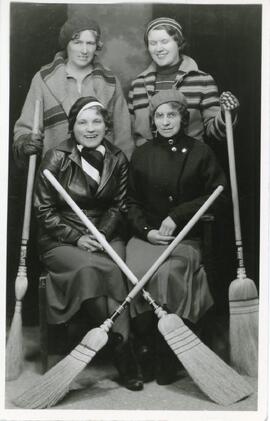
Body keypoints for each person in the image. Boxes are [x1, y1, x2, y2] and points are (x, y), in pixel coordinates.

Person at [33, 96, 142, 391]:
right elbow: (43, 211)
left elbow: (119, 206)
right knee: (91, 269)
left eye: (96, 121)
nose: (90, 128)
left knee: (119, 268)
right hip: (62, 237)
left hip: (105, 233)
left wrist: (101, 235)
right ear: (72, 126)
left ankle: (118, 342)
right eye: (83, 122)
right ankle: (123, 348)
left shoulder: (118, 158)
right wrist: (78, 237)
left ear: (106, 125)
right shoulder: (56, 157)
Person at [126, 89, 228, 386]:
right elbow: (131, 202)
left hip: (185, 237)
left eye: (172, 114)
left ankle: (168, 352)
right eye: (160, 115)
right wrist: (147, 231)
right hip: (147, 237)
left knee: (169, 272)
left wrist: (178, 215)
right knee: (140, 274)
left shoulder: (200, 152)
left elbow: (219, 196)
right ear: (152, 120)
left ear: (183, 117)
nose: (166, 121)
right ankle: (146, 348)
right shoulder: (142, 154)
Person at [13, 15, 134, 167]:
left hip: (102, 176)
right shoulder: (43, 79)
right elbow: (25, 128)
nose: (84, 50)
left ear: (97, 47)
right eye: (77, 42)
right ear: (66, 45)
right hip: (56, 173)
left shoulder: (110, 81)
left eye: (90, 43)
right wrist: (25, 141)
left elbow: (124, 137)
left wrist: (122, 171)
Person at [128, 16, 239, 146]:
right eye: (153, 43)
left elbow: (216, 134)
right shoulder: (138, 84)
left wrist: (227, 113)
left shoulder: (203, 81)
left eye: (164, 41)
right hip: (148, 163)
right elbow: (129, 135)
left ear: (179, 43)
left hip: (190, 161)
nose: (158, 49)